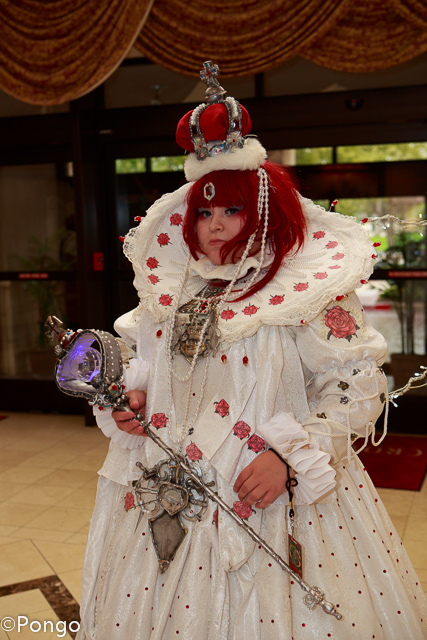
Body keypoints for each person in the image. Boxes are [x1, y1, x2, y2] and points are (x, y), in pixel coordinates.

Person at [76, 62, 427, 640]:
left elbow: (353, 388)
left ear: (264, 210)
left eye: (232, 210)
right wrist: (133, 402)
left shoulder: (307, 291)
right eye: (205, 212)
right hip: (160, 496)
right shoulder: (170, 290)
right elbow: (150, 370)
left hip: (267, 495)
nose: (215, 225)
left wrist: (287, 460)